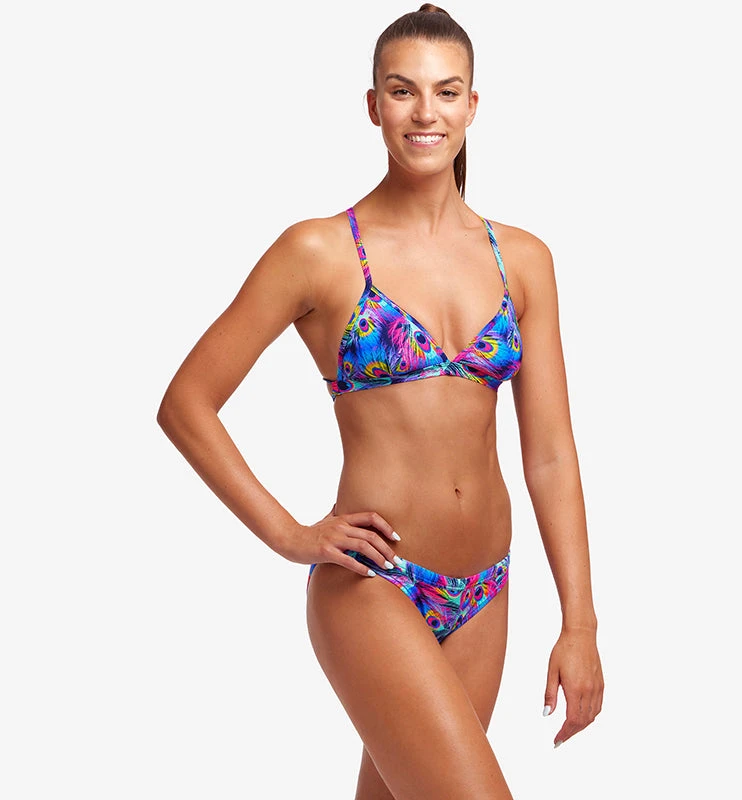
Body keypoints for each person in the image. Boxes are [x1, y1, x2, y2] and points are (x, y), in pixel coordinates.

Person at [157, 5, 603, 798]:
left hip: (485, 590)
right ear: (373, 105)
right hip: (374, 583)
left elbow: (550, 455)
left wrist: (580, 622)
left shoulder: (524, 259)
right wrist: (290, 535)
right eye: (403, 91)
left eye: (446, 91)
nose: (426, 113)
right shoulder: (319, 250)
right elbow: (187, 403)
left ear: (473, 105)